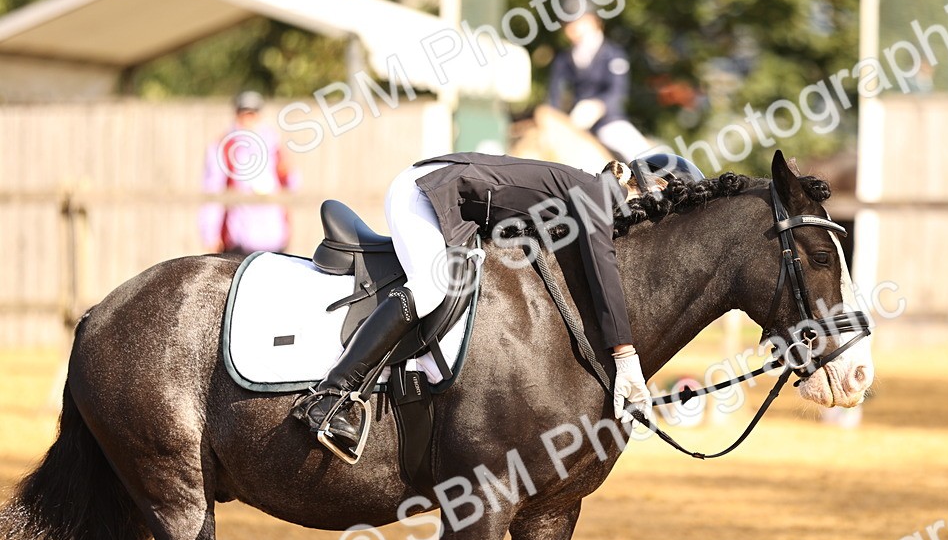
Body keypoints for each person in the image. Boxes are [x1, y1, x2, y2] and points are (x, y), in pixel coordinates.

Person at [293, 152, 663, 458]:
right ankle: (331, 394)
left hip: (452, 198)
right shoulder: (597, 195)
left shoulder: (589, 191)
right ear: (643, 189)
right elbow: (604, 272)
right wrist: (625, 356)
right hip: (425, 192)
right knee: (430, 288)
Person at [547, 0, 654, 162]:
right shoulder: (562, 60)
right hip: (572, 126)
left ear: (593, 21)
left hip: (609, 122)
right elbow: (554, 96)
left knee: (643, 157)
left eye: (578, 22)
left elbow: (618, 92)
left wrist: (598, 107)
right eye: (567, 24)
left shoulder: (613, 54)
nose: (572, 29)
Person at [199, 91, 295, 255]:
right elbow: (212, 191)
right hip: (239, 237)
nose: (248, 118)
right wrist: (210, 234)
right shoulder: (223, 147)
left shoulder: (273, 145)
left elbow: (291, 183)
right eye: (244, 113)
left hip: (273, 236)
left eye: (253, 113)